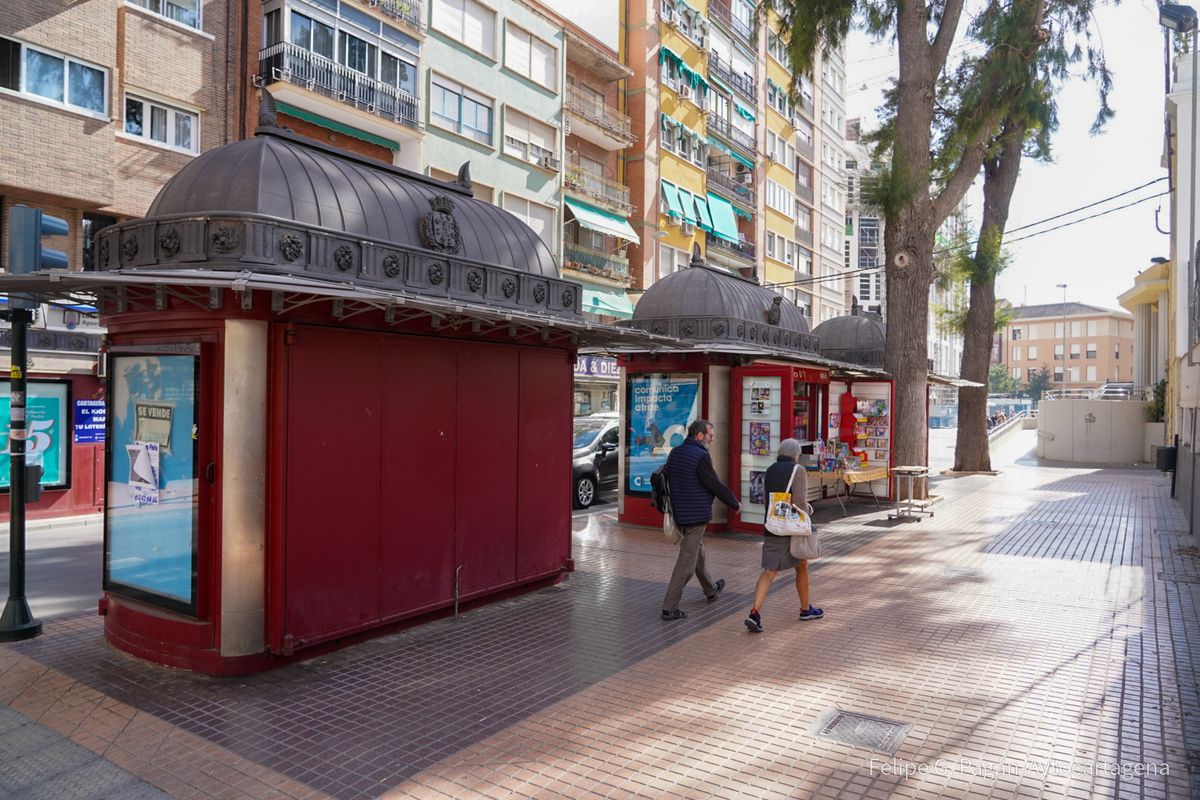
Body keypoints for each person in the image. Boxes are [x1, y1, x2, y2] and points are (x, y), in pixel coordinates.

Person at [661, 418, 740, 620]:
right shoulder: (700, 456)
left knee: (698, 552)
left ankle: (710, 590)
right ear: (700, 436)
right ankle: (670, 607)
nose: (712, 439)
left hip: (680, 513)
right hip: (695, 515)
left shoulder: (676, 453)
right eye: (710, 436)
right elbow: (713, 484)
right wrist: (734, 503)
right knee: (687, 561)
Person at [745, 438, 823, 633]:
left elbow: (768, 500)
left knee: (769, 571)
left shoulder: (770, 470)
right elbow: (800, 501)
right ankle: (805, 609)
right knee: (802, 566)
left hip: (773, 526)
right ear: (796, 454)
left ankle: (755, 612)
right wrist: (809, 512)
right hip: (792, 529)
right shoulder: (798, 471)